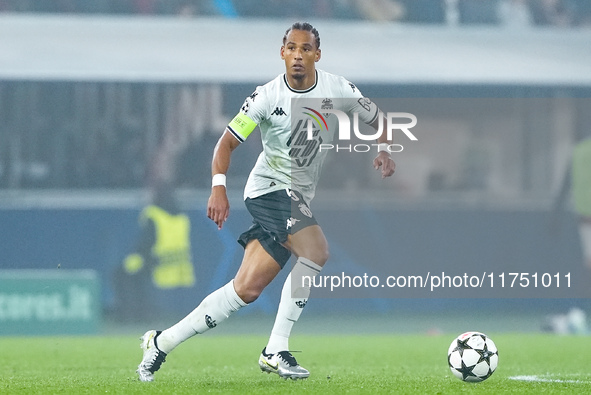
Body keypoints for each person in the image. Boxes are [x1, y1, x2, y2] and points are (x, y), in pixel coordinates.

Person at [136, 21, 396, 382]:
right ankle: (276, 349)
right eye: (291, 48)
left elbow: (378, 119)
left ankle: (161, 343)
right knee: (316, 252)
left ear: (317, 55)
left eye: (306, 49)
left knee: (245, 290)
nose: (298, 55)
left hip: (296, 197)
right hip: (269, 189)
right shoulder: (267, 97)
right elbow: (226, 143)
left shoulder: (338, 89)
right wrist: (218, 187)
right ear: (282, 52)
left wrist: (383, 151)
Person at [113, 185, 195, 322]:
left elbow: (147, 243)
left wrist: (137, 257)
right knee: (135, 275)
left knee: (120, 274)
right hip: (180, 267)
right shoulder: (182, 216)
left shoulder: (154, 214)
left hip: (157, 262)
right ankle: (141, 313)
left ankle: (129, 315)